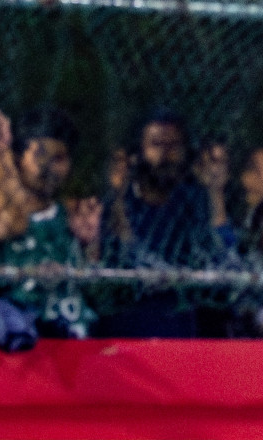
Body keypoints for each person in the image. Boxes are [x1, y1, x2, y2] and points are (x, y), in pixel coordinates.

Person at [98, 109, 235, 337]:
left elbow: (224, 267)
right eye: (156, 144)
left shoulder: (193, 203)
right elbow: (117, 264)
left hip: (179, 328)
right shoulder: (120, 203)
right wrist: (118, 196)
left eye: (174, 145)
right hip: (126, 325)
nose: (166, 154)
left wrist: (215, 192)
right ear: (137, 154)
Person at [0, 106, 97, 338]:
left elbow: (105, 301)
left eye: (58, 158)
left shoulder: (75, 218)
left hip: (75, 345)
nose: (49, 168)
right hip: (20, 347)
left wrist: (91, 247)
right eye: (40, 156)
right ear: (17, 157)